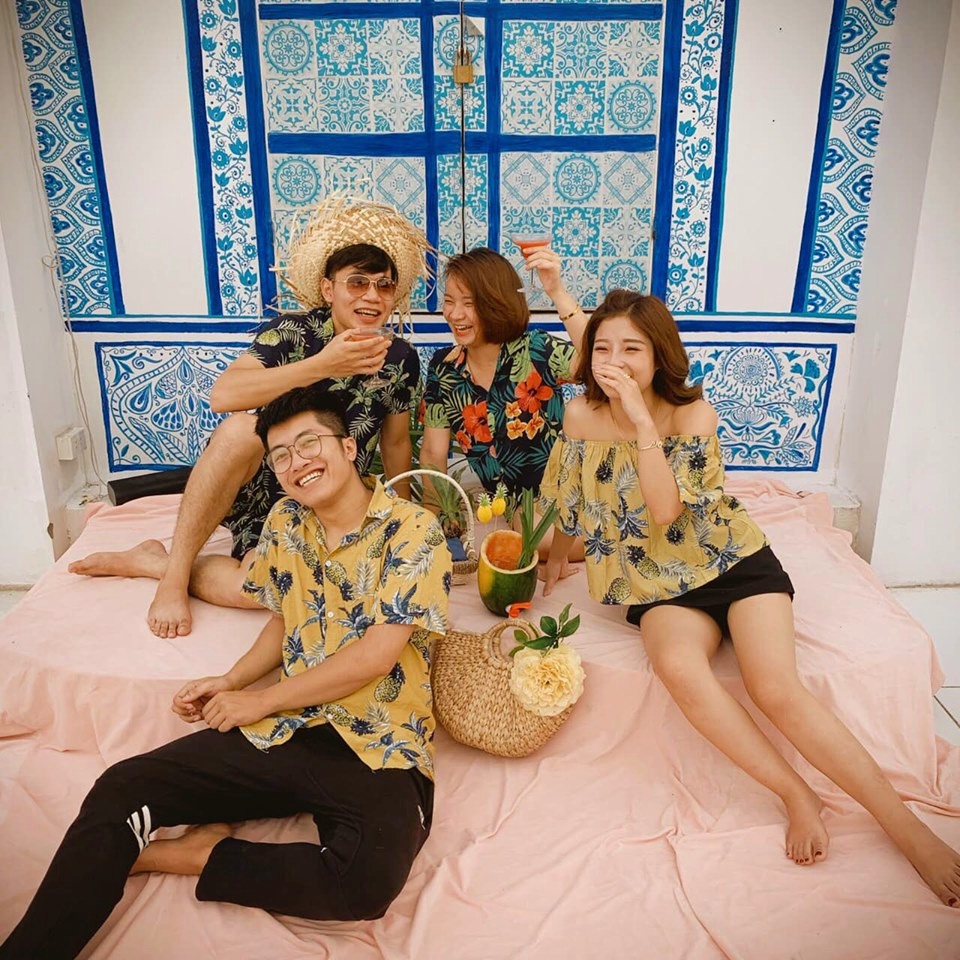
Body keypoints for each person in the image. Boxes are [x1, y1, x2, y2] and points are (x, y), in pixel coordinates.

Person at [539, 289, 960, 907]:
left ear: (658, 356)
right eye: (602, 348)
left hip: (733, 564)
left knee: (775, 688)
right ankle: (795, 793)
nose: (615, 361)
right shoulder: (580, 415)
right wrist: (553, 557)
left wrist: (642, 423)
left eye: (632, 349)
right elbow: (571, 498)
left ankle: (907, 828)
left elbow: (665, 509)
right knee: (679, 667)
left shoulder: (692, 415)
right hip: (657, 584)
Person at [0, 387, 452, 960]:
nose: (296, 462)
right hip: (292, 729)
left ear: (347, 447)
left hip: (380, 743)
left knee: (365, 881)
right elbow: (287, 618)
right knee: (122, 787)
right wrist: (233, 681)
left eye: (308, 443)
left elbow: (375, 656)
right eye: (281, 456)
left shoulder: (413, 530)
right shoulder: (287, 521)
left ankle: (197, 856)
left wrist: (260, 700)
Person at [69, 196, 430, 639]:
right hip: (271, 484)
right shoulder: (292, 333)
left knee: (261, 591)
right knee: (241, 430)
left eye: (384, 286)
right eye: (357, 283)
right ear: (327, 289)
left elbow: (396, 442)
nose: (372, 296)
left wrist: (403, 516)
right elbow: (223, 395)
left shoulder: (400, 357)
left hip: (335, 492)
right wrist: (324, 365)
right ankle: (174, 575)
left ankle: (151, 560)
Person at [420, 245, 588, 500]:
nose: (455, 314)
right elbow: (433, 452)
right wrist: (435, 513)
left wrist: (557, 291)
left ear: (497, 303)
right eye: (449, 301)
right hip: (499, 509)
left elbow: (596, 364)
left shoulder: (536, 349)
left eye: (469, 303)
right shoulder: (443, 367)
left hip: (561, 504)